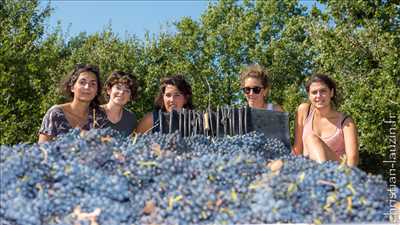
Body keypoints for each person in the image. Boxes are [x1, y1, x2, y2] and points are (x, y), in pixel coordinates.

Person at [293, 74, 359, 166]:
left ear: (331, 93)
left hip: (335, 173)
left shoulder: (346, 122)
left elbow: (352, 160)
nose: (318, 96)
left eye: (323, 91)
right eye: (314, 92)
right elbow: (297, 150)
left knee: (312, 139)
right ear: (309, 95)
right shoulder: (304, 111)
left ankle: (322, 177)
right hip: (308, 172)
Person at [38, 64, 108, 143]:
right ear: (72, 87)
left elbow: (105, 147)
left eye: (93, 84)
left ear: (96, 91)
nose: (87, 87)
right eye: (82, 82)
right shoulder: (55, 114)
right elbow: (42, 150)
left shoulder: (99, 117)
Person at [102, 71, 138, 137]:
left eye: (127, 90)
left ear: (130, 97)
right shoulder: (94, 113)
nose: (121, 92)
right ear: (109, 90)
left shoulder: (131, 119)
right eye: (118, 88)